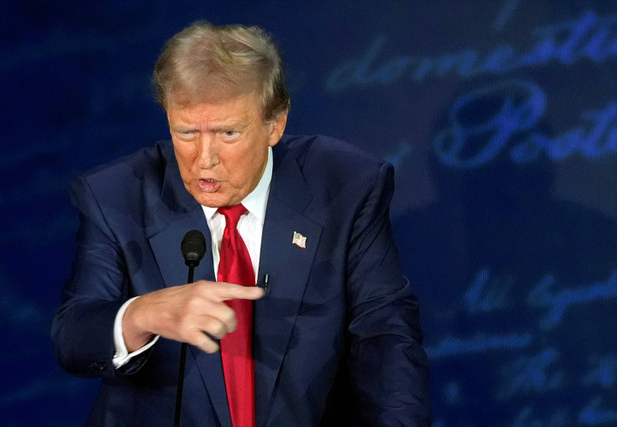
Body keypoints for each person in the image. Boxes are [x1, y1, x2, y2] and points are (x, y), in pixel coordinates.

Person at [51, 21, 430, 426]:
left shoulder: (344, 188)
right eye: (186, 133)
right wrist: (142, 314)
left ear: (275, 124)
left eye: (228, 133)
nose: (204, 158)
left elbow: (386, 339)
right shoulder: (118, 196)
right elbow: (73, 336)